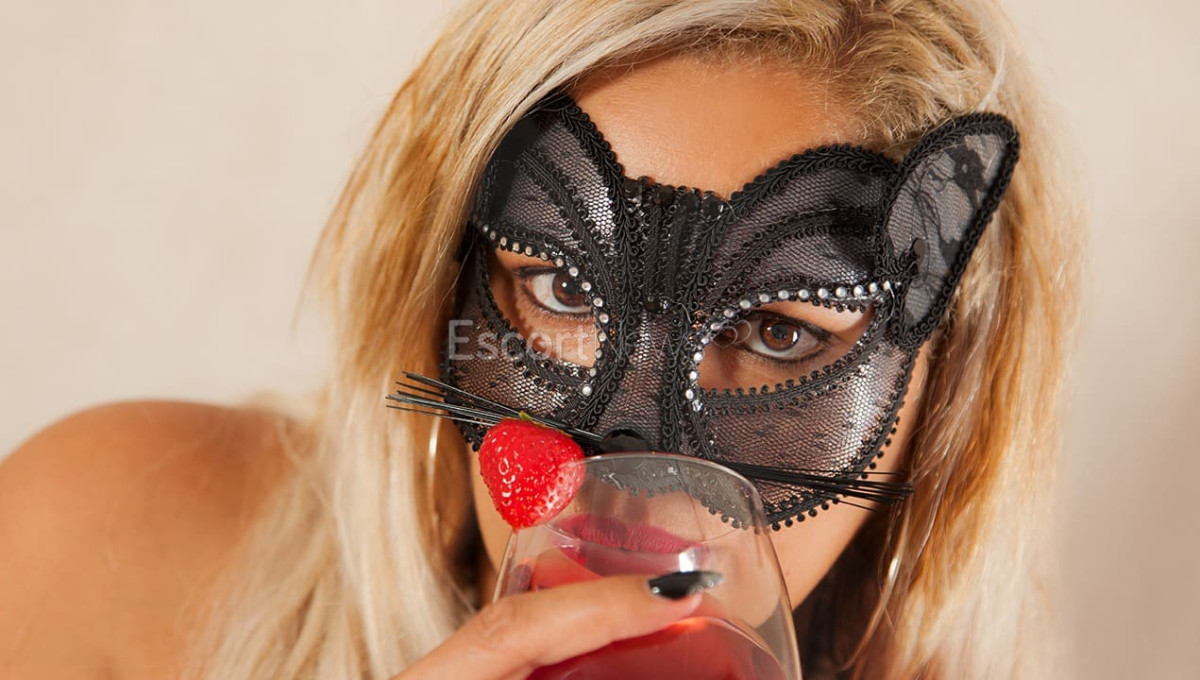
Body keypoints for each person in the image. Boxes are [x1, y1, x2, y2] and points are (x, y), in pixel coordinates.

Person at [0, 1, 1080, 678]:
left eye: (775, 328)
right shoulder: (103, 541)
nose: (634, 456)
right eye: (563, 286)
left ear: (947, 391)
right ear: (439, 277)